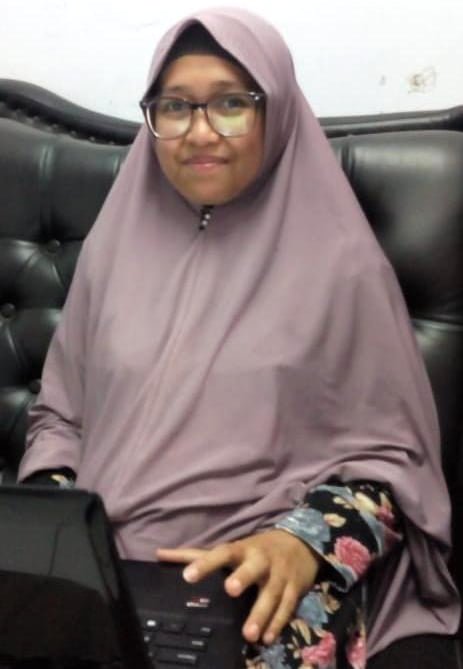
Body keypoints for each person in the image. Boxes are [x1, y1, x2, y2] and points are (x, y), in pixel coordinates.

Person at [18, 8, 460, 668]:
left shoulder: (341, 268)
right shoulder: (112, 250)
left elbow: (394, 467)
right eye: (175, 107)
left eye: (230, 104)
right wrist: (59, 537)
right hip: (105, 568)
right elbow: (60, 417)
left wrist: (299, 544)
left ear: (273, 111)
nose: (200, 132)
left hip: (257, 570)